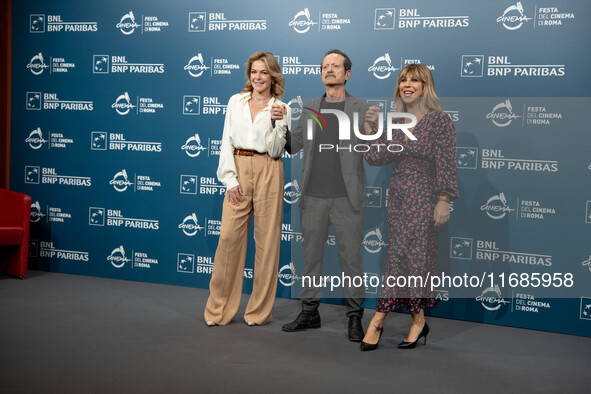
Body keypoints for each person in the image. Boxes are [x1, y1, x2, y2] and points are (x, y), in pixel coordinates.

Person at [360, 63, 458, 350]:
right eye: (403, 79)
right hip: (399, 198)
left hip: (425, 197)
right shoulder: (396, 121)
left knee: (414, 261)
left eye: (414, 80)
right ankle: (418, 320)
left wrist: (443, 200)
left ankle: (378, 320)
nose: (407, 84)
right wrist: (371, 129)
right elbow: (375, 157)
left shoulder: (439, 121)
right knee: (400, 259)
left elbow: (447, 163)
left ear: (425, 86)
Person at [282, 49, 377, 342]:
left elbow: (372, 152)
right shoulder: (310, 108)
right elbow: (293, 145)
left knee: (352, 261)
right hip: (312, 197)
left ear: (347, 74)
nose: (329, 70)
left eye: (336, 66)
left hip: (346, 197)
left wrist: (373, 129)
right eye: (325, 66)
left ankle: (354, 317)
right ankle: (310, 312)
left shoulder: (362, 108)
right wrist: (279, 123)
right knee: (311, 259)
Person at [204, 51, 291, 326]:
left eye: (264, 72)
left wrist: (279, 122)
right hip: (239, 168)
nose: (258, 77)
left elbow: (278, 150)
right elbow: (225, 142)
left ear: (273, 76)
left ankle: (258, 312)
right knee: (228, 239)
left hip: (269, 169)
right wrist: (230, 180)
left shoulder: (282, 107)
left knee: (267, 244)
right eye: (254, 72)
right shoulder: (235, 101)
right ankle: (218, 311)